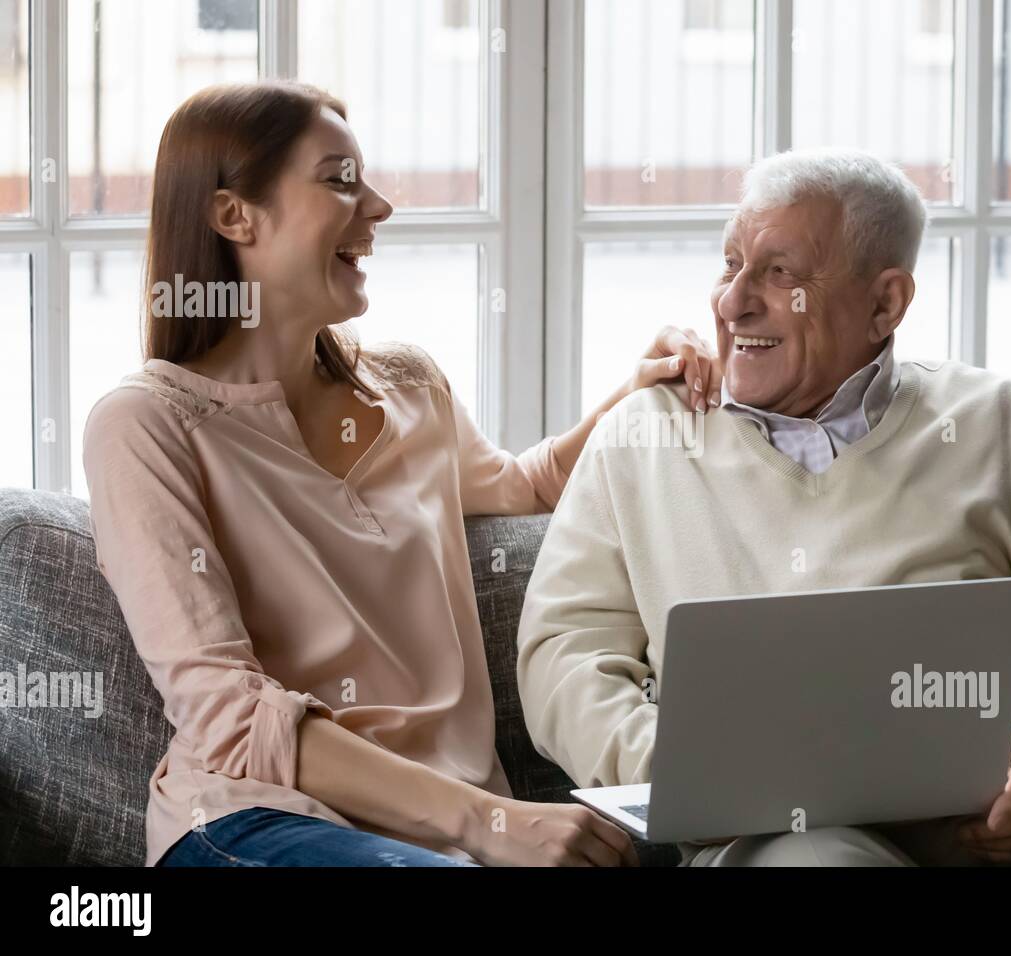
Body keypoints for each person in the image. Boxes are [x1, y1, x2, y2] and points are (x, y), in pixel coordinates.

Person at [515, 147, 1011, 867]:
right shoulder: (642, 440)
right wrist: (683, 769)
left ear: (885, 303)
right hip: (781, 834)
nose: (731, 301)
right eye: (729, 264)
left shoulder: (1008, 424)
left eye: (776, 273)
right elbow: (563, 652)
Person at [83, 80, 723, 867]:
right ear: (234, 216)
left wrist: (639, 390)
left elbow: (527, 486)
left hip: (458, 837)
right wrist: (495, 822)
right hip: (261, 823)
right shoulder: (146, 425)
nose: (379, 206)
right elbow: (231, 718)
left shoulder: (411, 387)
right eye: (339, 181)